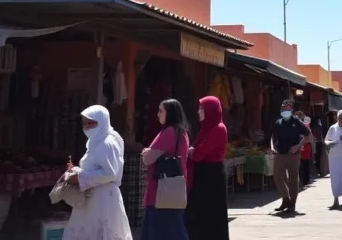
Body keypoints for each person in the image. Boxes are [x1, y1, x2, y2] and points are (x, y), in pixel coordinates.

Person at [64, 105, 133, 240]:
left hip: (103, 200)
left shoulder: (107, 143)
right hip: (91, 199)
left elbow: (110, 173)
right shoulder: (94, 142)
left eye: (92, 123)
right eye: (85, 124)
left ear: (102, 121)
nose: (88, 127)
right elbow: (95, 168)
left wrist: (80, 177)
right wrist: (76, 171)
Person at [141, 99, 191, 240]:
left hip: (160, 190)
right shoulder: (183, 133)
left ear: (170, 113)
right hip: (176, 189)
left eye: (161, 111)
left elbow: (148, 158)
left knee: (157, 231)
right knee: (175, 228)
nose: (158, 114)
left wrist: (146, 151)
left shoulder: (168, 132)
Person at [186, 96, 229, 240]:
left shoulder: (218, 129)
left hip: (212, 175)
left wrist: (192, 151)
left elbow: (197, 154)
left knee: (212, 214)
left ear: (210, 110)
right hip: (203, 174)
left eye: (201, 109)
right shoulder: (206, 128)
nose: (198, 112)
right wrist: (192, 151)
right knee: (199, 214)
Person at [270, 100, 311, 213]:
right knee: (277, 177)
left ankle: (292, 203)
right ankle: (285, 199)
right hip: (279, 154)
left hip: (293, 154)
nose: (285, 111)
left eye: (287, 109)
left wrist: (298, 146)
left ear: (291, 110)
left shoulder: (297, 122)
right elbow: (273, 137)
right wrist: (273, 147)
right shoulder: (278, 122)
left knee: (293, 179)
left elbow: (308, 135)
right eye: (283, 109)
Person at [296, 112, 314, 187]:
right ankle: (301, 180)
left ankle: (305, 180)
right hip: (298, 147)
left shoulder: (306, 126)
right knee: (300, 165)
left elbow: (309, 137)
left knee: (305, 164)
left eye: (300, 116)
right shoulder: (296, 126)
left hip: (306, 147)